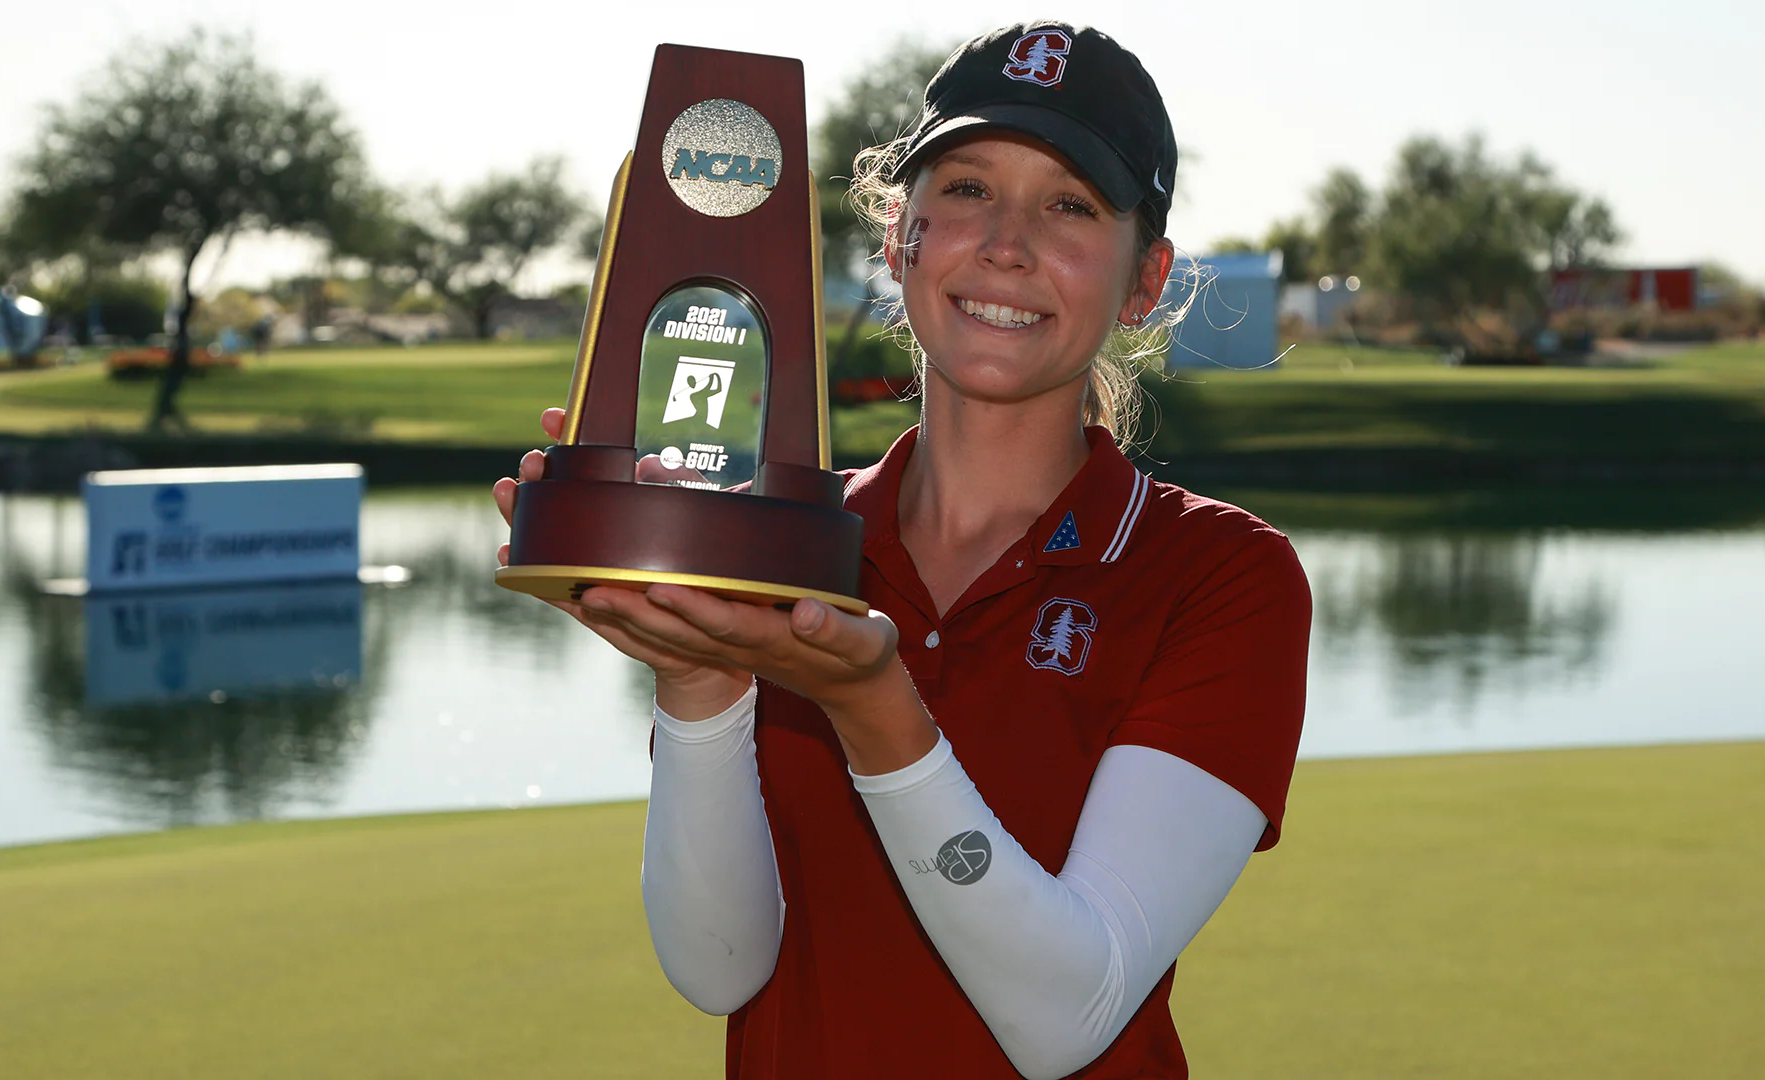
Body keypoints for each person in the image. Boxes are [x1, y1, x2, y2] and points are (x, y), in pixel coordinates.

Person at [494, 22, 1310, 1079]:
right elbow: (720, 969)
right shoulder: (781, 544)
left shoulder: (1219, 576)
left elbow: (1071, 1014)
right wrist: (701, 685)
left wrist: (874, 712)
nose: (1005, 244)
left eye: (1069, 204)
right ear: (899, 237)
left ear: (1147, 278)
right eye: (966, 190)